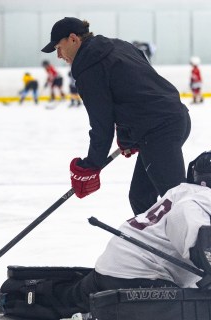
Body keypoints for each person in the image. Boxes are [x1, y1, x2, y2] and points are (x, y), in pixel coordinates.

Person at [0, 150, 211, 320]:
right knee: (180, 308)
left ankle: (10, 298)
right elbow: (192, 231)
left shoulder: (180, 190)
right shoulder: (202, 200)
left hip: (112, 265)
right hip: (137, 277)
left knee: (70, 298)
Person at [41, 17, 191, 216]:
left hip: (158, 129)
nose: (59, 55)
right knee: (141, 197)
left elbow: (101, 124)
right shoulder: (117, 45)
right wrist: (129, 132)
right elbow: (137, 85)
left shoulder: (88, 68)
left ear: (73, 39)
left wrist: (91, 165)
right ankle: (161, 242)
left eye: (59, 47)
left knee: (175, 200)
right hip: (169, 119)